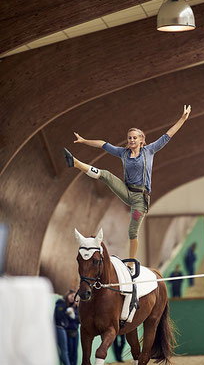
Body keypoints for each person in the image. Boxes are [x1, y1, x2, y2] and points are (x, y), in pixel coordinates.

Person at [63, 105, 191, 260]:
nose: (131, 140)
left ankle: (131, 263)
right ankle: (76, 163)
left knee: (132, 232)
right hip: (126, 190)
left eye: (135, 138)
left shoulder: (149, 151)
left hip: (140, 199)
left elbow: (168, 135)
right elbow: (103, 144)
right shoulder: (123, 153)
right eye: (129, 138)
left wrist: (183, 119)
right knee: (107, 176)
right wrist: (84, 141)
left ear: (141, 140)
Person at [54, 290, 78, 365]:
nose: (73, 298)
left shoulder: (71, 306)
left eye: (74, 296)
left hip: (63, 328)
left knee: (69, 350)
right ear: (67, 295)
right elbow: (59, 315)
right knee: (65, 350)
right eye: (71, 296)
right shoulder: (61, 303)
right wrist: (67, 311)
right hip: (59, 327)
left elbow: (77, 319)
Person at [66, 296, 80, 365]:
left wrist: (74, 316)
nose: (76, 301)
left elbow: (79, 319)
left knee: (75, 350)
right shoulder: (68, 307)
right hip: (69, 331)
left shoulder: (77, 309)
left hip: (75, 331)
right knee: (70, 349)